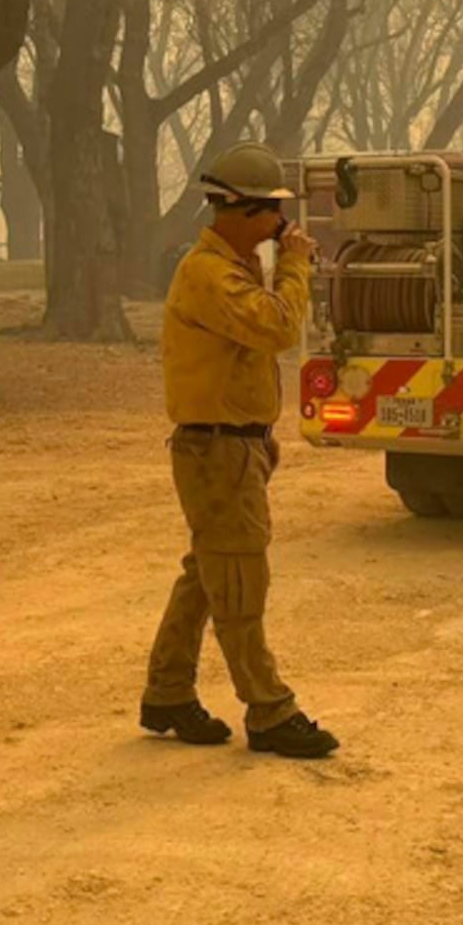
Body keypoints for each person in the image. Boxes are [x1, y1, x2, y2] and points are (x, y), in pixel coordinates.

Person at [139, 141, 339, 760]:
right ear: (238, 211)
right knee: (241, 581)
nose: (277, 226)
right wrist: (295, 265)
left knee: (210, 573)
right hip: (217, 450)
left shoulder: (234, 265)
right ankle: (270, 710)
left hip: (234, 446)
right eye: (269, 214)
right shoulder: (211, 274)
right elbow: (278, 327)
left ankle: (168, 693)